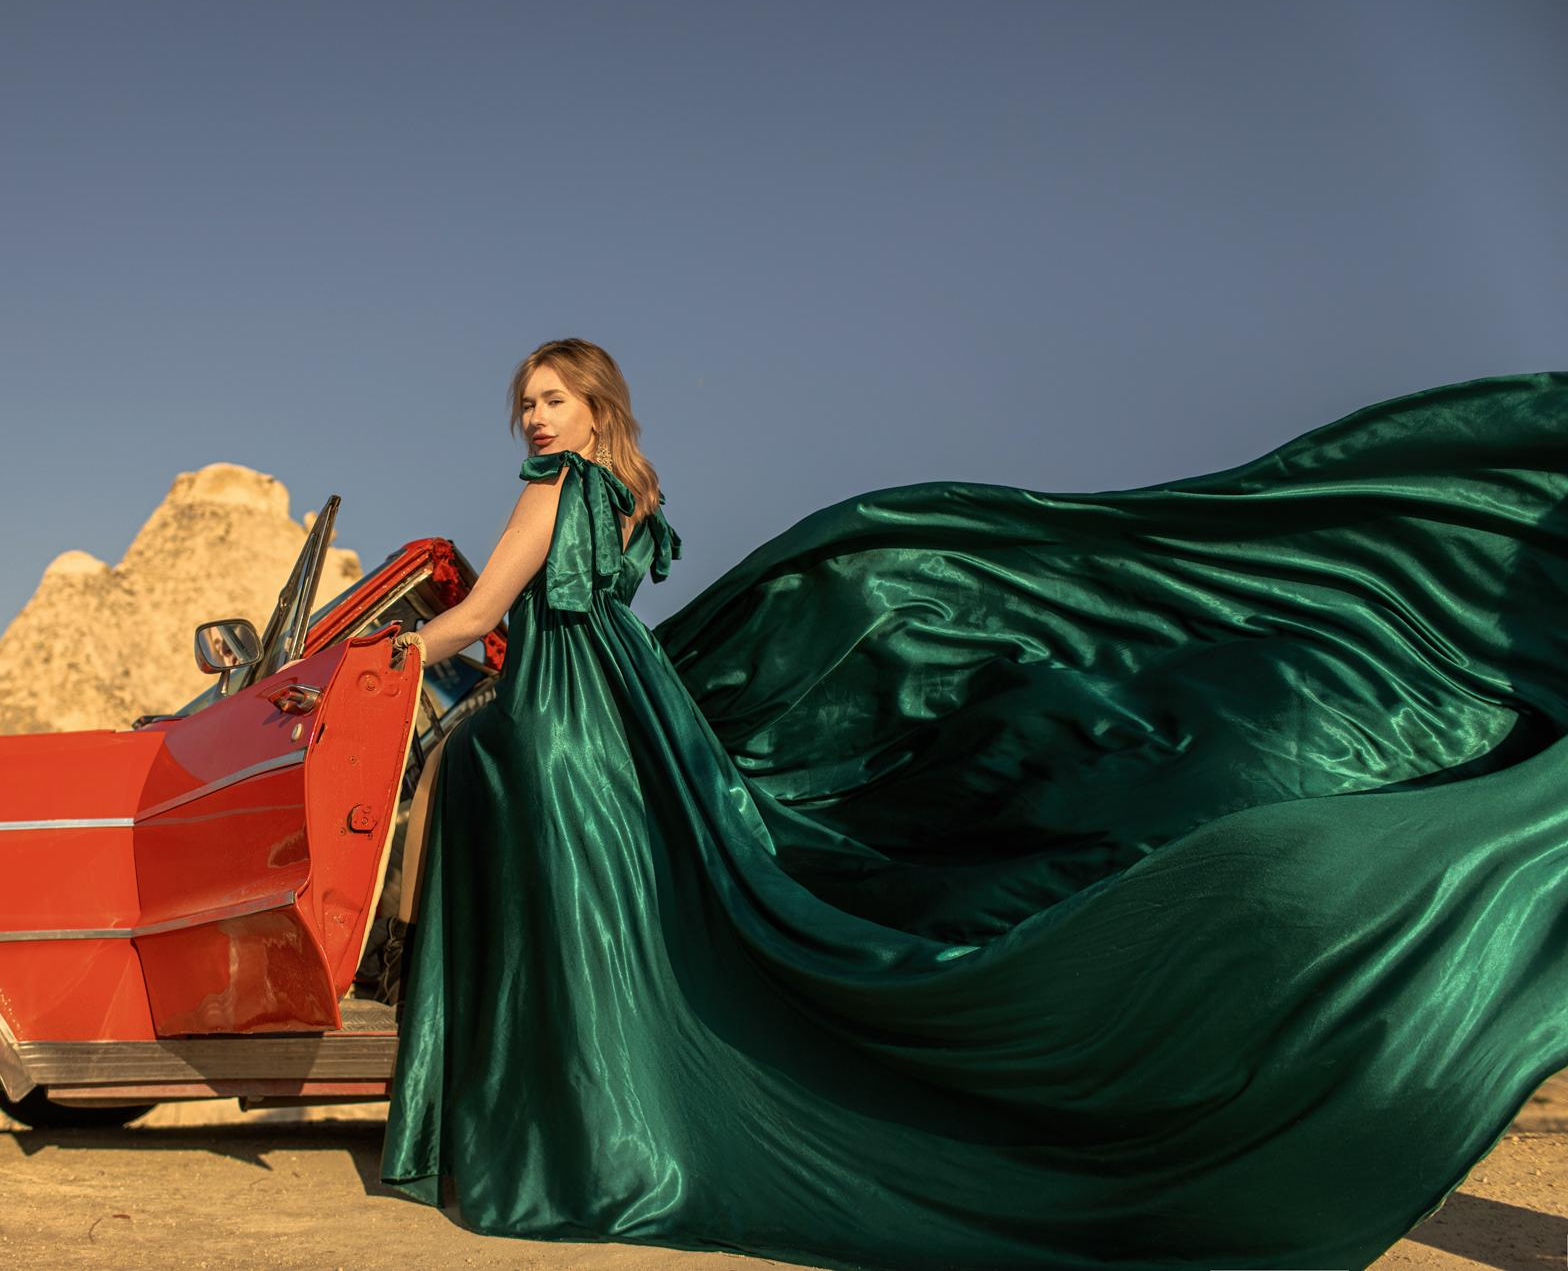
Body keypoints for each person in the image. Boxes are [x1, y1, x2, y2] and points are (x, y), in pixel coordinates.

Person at [375, 339, 1568, 1270]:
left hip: (557, 722)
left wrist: (387, 662)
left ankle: (494, 1085)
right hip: (628, 714)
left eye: (550, 398)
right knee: (625, 926)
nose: (533, 417)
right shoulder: (628, 500)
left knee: (475, 810)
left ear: (593, 409)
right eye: (524, 403)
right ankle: (584, 1124)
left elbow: (483, 619)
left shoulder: (547, 492)